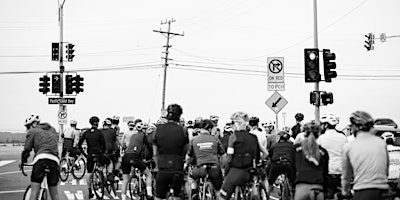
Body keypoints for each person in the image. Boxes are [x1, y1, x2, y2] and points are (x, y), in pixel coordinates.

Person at [341, 111, 389, 200]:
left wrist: (345, 192)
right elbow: (386, 170)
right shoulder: (381, 143)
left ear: (355, 127)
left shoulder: (348, 146)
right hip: (384, 192)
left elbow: (346, 175)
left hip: (363, 191)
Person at [219, 111, 261, 200]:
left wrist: (226, 173)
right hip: (250, 172)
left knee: (222, 196)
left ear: (237, 123)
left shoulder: (233, 137)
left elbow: (229, 159)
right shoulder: (254, 137)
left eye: (232, 123)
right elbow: (257, 157)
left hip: (236, 171)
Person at [153, 104, 189, 200]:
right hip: (177, 168)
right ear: (179, 116)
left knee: (158, 197)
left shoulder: (158, 129)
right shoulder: (183, 130)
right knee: (177, 196)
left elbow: (155, 153)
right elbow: (187, 149)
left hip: (163, 168)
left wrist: (157, 166)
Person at [21, 114, 60, 200]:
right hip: (54, 160)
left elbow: (27, 149)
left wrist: (23, 161)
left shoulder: (33, 131)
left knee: (34, 191)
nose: (28, 129)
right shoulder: (52, 129)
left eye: (28, 127)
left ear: (34, 124)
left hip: (41, 159)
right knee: (55, 194)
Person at [187, 119, 225, 199]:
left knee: (191, 176)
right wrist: (221, 167)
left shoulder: (194, 140)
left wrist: (186, 164)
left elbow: (189, 155)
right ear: (210, 129)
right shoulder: (215, 139)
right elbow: (223, 156)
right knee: (218, 191)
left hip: (200, 169)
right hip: (214, 169)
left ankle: (194, 191)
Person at [293, 121, 329, 200]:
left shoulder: (296, 149)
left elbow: (292, 168)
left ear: (304, 133)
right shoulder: (323, 151)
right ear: (318, 134)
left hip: (302, 186)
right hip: (318, 187)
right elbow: (325, 173)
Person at [316, 113, 347, 199]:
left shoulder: (321, 138)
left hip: (329, 171)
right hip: (342, 170)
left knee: (329, 195)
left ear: (326, 125)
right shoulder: (343, 138)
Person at [78, 116, 109, 199]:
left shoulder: (86, 133)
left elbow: (79, 145)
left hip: (90, 155)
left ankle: (90, 191)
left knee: (89, 174)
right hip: (98, 154)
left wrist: (85, 155)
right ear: (97, 123)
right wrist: (102, 153)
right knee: (108, 162)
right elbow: (104, 145)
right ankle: (102, 178)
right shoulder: (99, 132)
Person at [121, 121, 153, 200]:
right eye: (145, 129)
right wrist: (152, 156)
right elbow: (148, 147)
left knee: (125, 179)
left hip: (125, 156)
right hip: (134, 156)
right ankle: (149, 194)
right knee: (149, 174)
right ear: (143, 130)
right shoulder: (143, 135)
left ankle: (123, 198)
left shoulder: (132, 136)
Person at [267, 130, 295, 195]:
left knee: (270, 183)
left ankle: (267, 195)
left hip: (277, 164)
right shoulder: (291, 146)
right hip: (288, 164)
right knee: (293, 183)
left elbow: (270, 157)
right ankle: (293, 194)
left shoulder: (274, 146)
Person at [101, 118, 120, 184]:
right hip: (110, 151)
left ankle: (100, 175)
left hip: (100, 151)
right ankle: (111, 176)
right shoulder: (112, 131)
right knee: (113, 161)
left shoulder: (100, 131)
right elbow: (115, 141)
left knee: (101, 164)